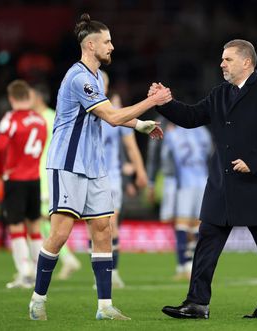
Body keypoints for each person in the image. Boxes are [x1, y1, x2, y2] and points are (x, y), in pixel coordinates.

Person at [28, 13, 171, 321]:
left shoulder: (94, 78)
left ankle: (104, 307)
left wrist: (140, 124)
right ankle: (38, 299)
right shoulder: (79, 77)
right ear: (90, 45)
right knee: (61, 233)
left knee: (103, 229)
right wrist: (152, 102)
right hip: (68, 164)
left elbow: (110, 114)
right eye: (107, 41)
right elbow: (111, 117)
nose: (112, 46)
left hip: (94, 165)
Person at [150, 39, 257, 319]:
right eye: (222, 59)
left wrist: (253, 160)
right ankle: (197, 303)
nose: (221, 64)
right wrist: (165, 104)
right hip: (223, 184)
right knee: (207, 242)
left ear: (247, 62)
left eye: (227, 59)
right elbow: (190, 117)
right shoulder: (219, 94)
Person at [93, 70, 149, 288]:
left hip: (113, 176)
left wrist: (140, 171)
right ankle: (100, 274)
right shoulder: (86, 112)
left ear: (106, 87)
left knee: (110, 225)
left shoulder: (117, 114)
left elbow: (130, 146)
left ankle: (112, 272)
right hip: (90, 175)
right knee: (97, 226)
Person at [0, 79, 47, 289]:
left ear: (11, 98)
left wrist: (1, 170)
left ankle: (24, 271)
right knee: (34, 225)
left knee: (16, 225)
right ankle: (38, 272)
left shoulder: (10, 119)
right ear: (29, 96)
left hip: (15, 178)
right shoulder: (40, 119)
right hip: (34, 178)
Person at [32, 84, 82, 280]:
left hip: (46, 174)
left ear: (38, 98)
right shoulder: (36, 118)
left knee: (44, 219)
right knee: (42, 220)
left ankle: (64, 259)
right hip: (36, 173)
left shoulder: (50, 117)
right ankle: (66, 258)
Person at [161, 124, 212, 280]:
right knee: (197, 225)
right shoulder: (203, 131)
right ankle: (194, 267)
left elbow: (165, 158)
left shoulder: (173, 133)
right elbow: (210, 152)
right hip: (203, 180)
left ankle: (183, 266)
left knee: (181, 225)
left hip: (183, 183)